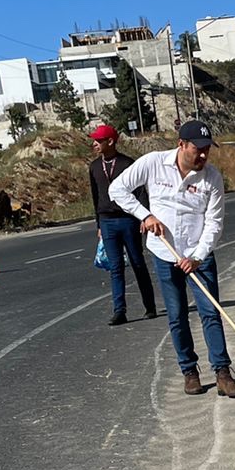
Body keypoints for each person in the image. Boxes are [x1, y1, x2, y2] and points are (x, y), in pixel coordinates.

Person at [108, 120, 235, 398]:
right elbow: (117, 190)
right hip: (164, 252)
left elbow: (214, 223)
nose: (204, 155)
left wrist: (197, 256)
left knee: (210, 312)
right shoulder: (153, 163)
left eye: (207, 149)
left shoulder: (212, 177)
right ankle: (189, 371)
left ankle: (222, 372)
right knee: (177, 315)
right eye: (198, 149)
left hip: (198, 254)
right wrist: (145, 215)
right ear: (181, 144)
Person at [88, 123, 157, 325]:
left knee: (137, 263)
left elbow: (141, 191)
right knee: (115, 267)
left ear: (110, 141)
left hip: (129, 220)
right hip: (107, 222)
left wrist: (144, 216)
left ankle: (149, 306)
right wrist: (98, 225)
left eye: (99, 141)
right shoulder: (93, 167)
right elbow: (95, 197)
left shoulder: (128, 164)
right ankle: (120, 310)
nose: (95, 144)